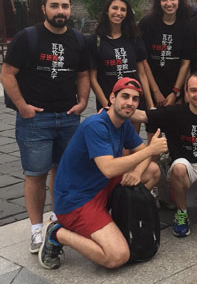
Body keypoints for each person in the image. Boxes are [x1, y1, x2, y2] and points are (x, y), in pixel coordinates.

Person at [38, 78, 165, 270]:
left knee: (152, 171)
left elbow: (141, 154)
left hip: (101, 185)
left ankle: (114, 218)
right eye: (125, 96)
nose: (130, 102)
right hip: (77, 200)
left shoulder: (123, 123)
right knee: (117, 256)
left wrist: (138, 172)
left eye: (135, 99)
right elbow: (110, 168)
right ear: (112, 98)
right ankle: (56, 233)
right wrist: (150, 150)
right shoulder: (95, 125)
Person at [0, 0, 90, 254]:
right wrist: (22, 107)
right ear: (44, 9)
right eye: (54, 6)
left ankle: (58, 219)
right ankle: (36, 230)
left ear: (70, 9)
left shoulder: (78, 39)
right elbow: (7, 74)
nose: (60, 11)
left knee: (63, 172)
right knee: (35, 174)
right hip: (34, 119)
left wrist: (83, 102)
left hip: (68, 116)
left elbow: (83, 74)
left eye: (64, 6)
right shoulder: (27, 38)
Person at [131, 72, 197, 237]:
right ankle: (182, 213)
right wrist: (116, 110)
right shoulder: (175, 113)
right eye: (193, 90)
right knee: (179, 167)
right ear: (186, 93)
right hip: (184, 165)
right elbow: (142, 115)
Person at [88, 0, 153, 132]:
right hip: (109, 104)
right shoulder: (96, 40)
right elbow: (93, 78)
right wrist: (107, 105)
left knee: (131, 146)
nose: (118, 13)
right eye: (115, 8)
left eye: (123, 10)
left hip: (133, 102)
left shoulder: (134, 38)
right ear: (107, 10)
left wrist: (150, 104)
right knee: (111, 147)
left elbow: (142, 74)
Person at [139, 0, 191, 110]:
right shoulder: (147, 24)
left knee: (176, 128)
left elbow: (185, 63)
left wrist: (175, 92)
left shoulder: (186, 24)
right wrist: (155, 92)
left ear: (179, 0)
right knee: (154, 129)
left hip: (176, 88)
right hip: (152, 87)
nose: (169, 3)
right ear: (158, 2)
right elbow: (144, 61)